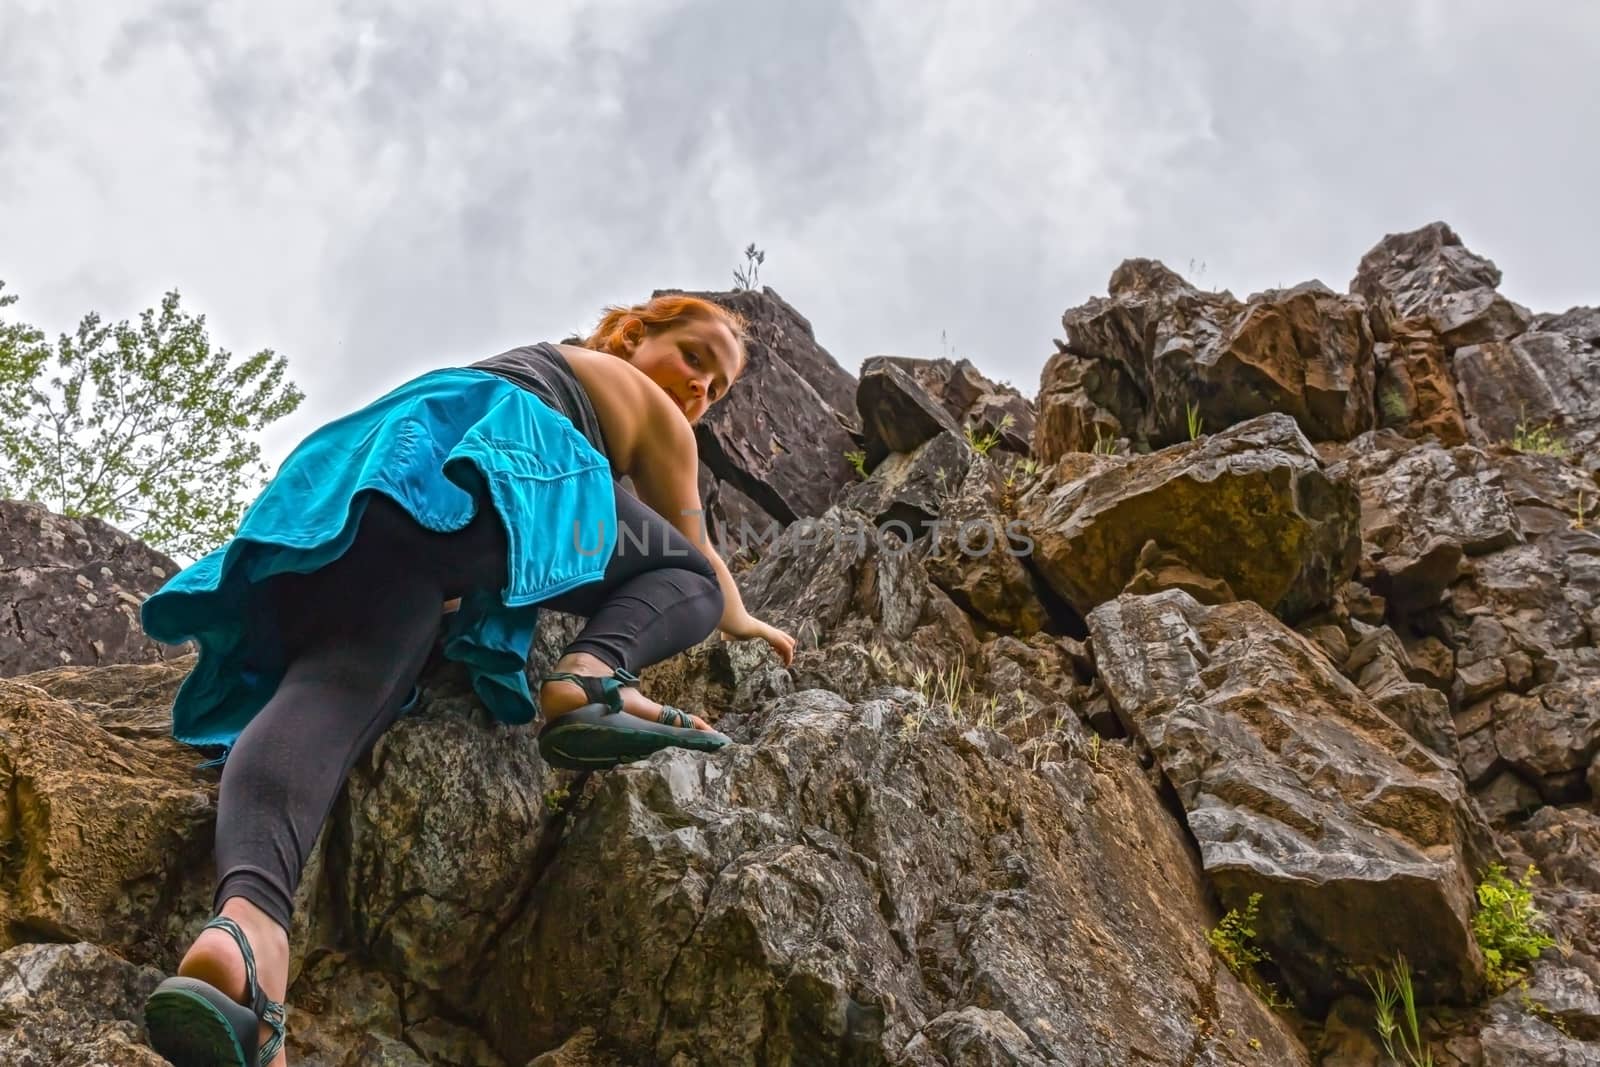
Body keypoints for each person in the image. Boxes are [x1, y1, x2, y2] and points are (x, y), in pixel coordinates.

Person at [138, 294, 796, 1066]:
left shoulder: (526, 363)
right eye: (694, 359)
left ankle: (247, 931)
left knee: (334, 691)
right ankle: (591, 676)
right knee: (686, 579)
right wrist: (746, 619)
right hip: (496, 462)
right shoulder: (638, 405)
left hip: (376, 471)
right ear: (632, 334)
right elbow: (697, 552)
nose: (699, 393)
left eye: (718, 390)